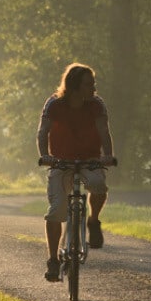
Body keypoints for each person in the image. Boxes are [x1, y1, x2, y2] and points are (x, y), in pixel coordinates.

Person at [36, 63, 116, 282]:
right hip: (61, 163)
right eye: (89, 84)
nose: (93, 88)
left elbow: (104, 132)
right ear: (74, 86)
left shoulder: (96, 105)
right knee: (56, 211)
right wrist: (45, 155)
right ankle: (53, 259)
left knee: (98, 185)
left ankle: (94, 220)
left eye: (93, 84)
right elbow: (43, 132)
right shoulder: (54, 105)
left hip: (90, 160)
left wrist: (107, 155)